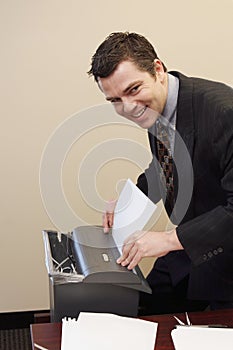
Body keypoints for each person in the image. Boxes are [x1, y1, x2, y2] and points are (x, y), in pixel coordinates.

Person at [88, 32, 233, 315]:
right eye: (115, 100)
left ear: (158, 69)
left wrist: (167, 239)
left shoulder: (224, 113)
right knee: (139, 309)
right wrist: (132, 199)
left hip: (226, 260)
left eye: (133, 90)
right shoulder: (156, 105)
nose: (128, 108)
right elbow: (169, 165)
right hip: (187, 250)